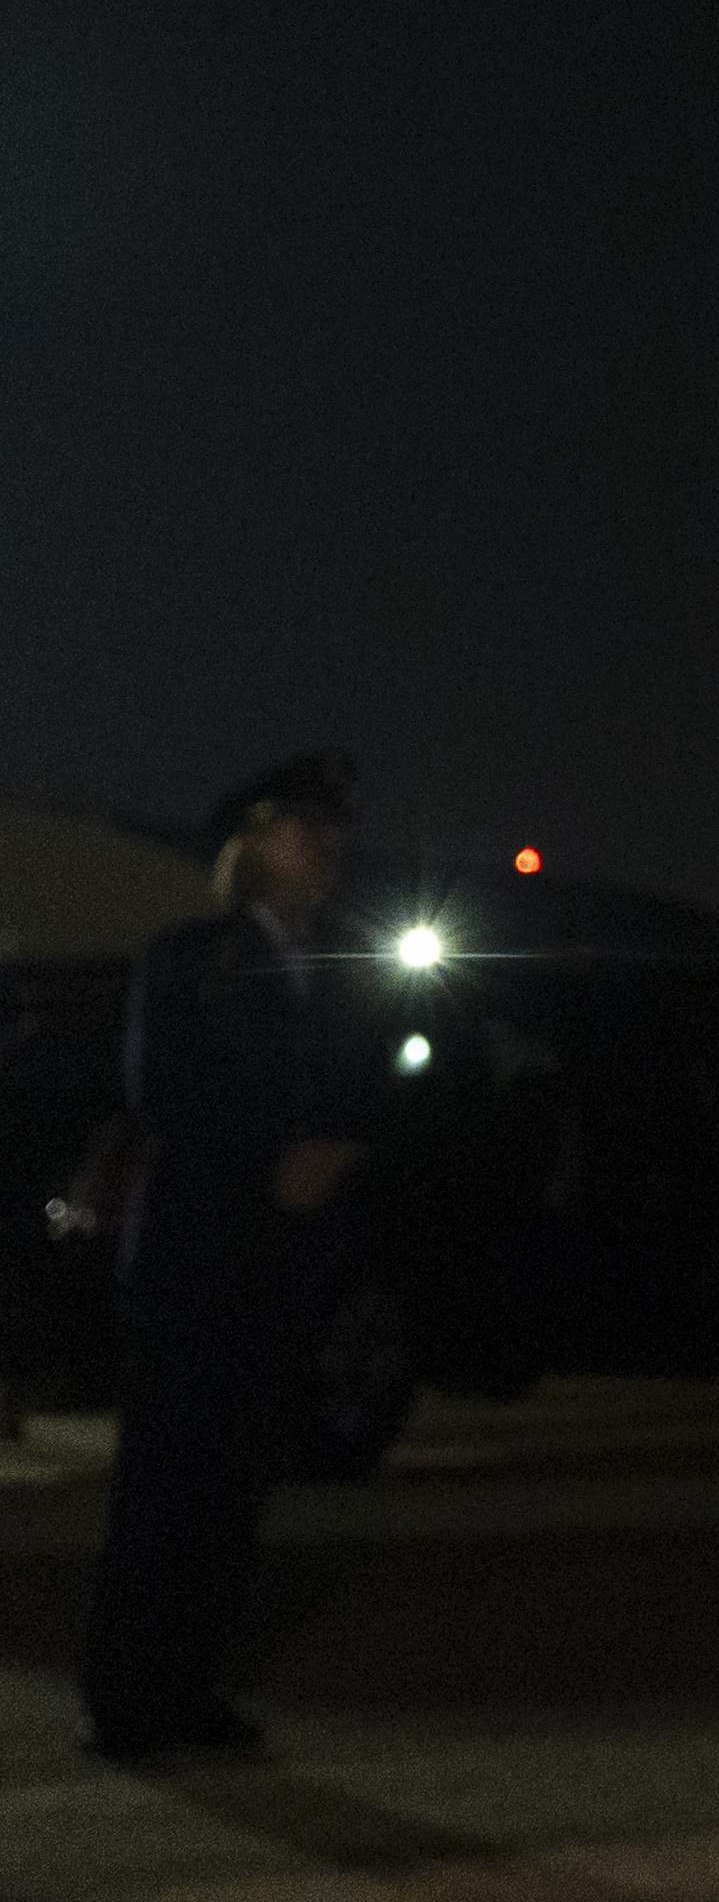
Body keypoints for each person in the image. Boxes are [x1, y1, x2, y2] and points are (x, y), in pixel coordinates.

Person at [78, 754, 386, 1763]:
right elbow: (162, 1087)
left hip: (280, 1264)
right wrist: (274, 1158)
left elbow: (373, 1074)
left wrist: (341, 1145)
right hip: (194, 1256)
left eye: (332, 834)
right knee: (166, 1482)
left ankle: (194, 1683)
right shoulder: (189, 956)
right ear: (251, 846)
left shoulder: (340, 959)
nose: (327, 850)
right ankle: (129, 1698)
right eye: (305, 831)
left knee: (236, 1491)